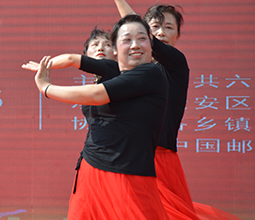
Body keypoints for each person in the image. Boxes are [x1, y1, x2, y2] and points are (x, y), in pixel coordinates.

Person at [110, 0, 242, 220]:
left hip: (160, 159)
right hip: (130, 157)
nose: (161, 33)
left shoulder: (175, 64)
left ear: (178, 35)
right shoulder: (133, 71)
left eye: (168, 28)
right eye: (156, 27)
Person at [29, 14, 170, 219]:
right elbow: (78, 64)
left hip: (129, 173)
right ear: (116, 49)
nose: (135, 45)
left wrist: (46, 88)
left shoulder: (151, 73)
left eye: (141, 39)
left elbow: (95, 94)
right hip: (91, 166)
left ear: (151, 44)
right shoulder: (115, 73)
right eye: (126, 40)